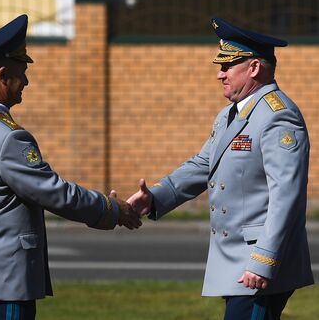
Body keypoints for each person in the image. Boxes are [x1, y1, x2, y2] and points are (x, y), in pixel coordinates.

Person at [0, 14, 142, 320]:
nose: (26, 82)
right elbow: (55, 193)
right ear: (3, 75)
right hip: (2, 285)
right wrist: (111, 210)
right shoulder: (8, 137)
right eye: (22, 72)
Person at [129, 17, 314, 319]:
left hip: (257, 264)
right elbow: (204, 164)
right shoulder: (231, 114)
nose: (220, 74)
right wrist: (157, 196)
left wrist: (263, 260)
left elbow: (287, 197)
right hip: (236, 262)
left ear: (254, 68)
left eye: (227, 66)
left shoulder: (278, 117)